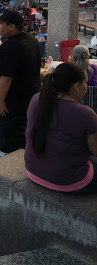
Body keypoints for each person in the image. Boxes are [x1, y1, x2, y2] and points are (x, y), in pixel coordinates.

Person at [25, 62, 97, 194]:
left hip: (33, 171)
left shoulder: (36, 99)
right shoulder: (86, 114)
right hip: (70, 181)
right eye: (85, 83)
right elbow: (95, 150)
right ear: (76, 86)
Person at [0, 10, 41, 153]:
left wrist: (1, 101)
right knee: (24, 133)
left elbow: (7, 76)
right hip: (28, 96)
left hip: (13, 101)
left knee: (11, 139)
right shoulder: (31, 40)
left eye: (1, 23)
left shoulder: (11, 46)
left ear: (12, 26)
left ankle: (12, 164)